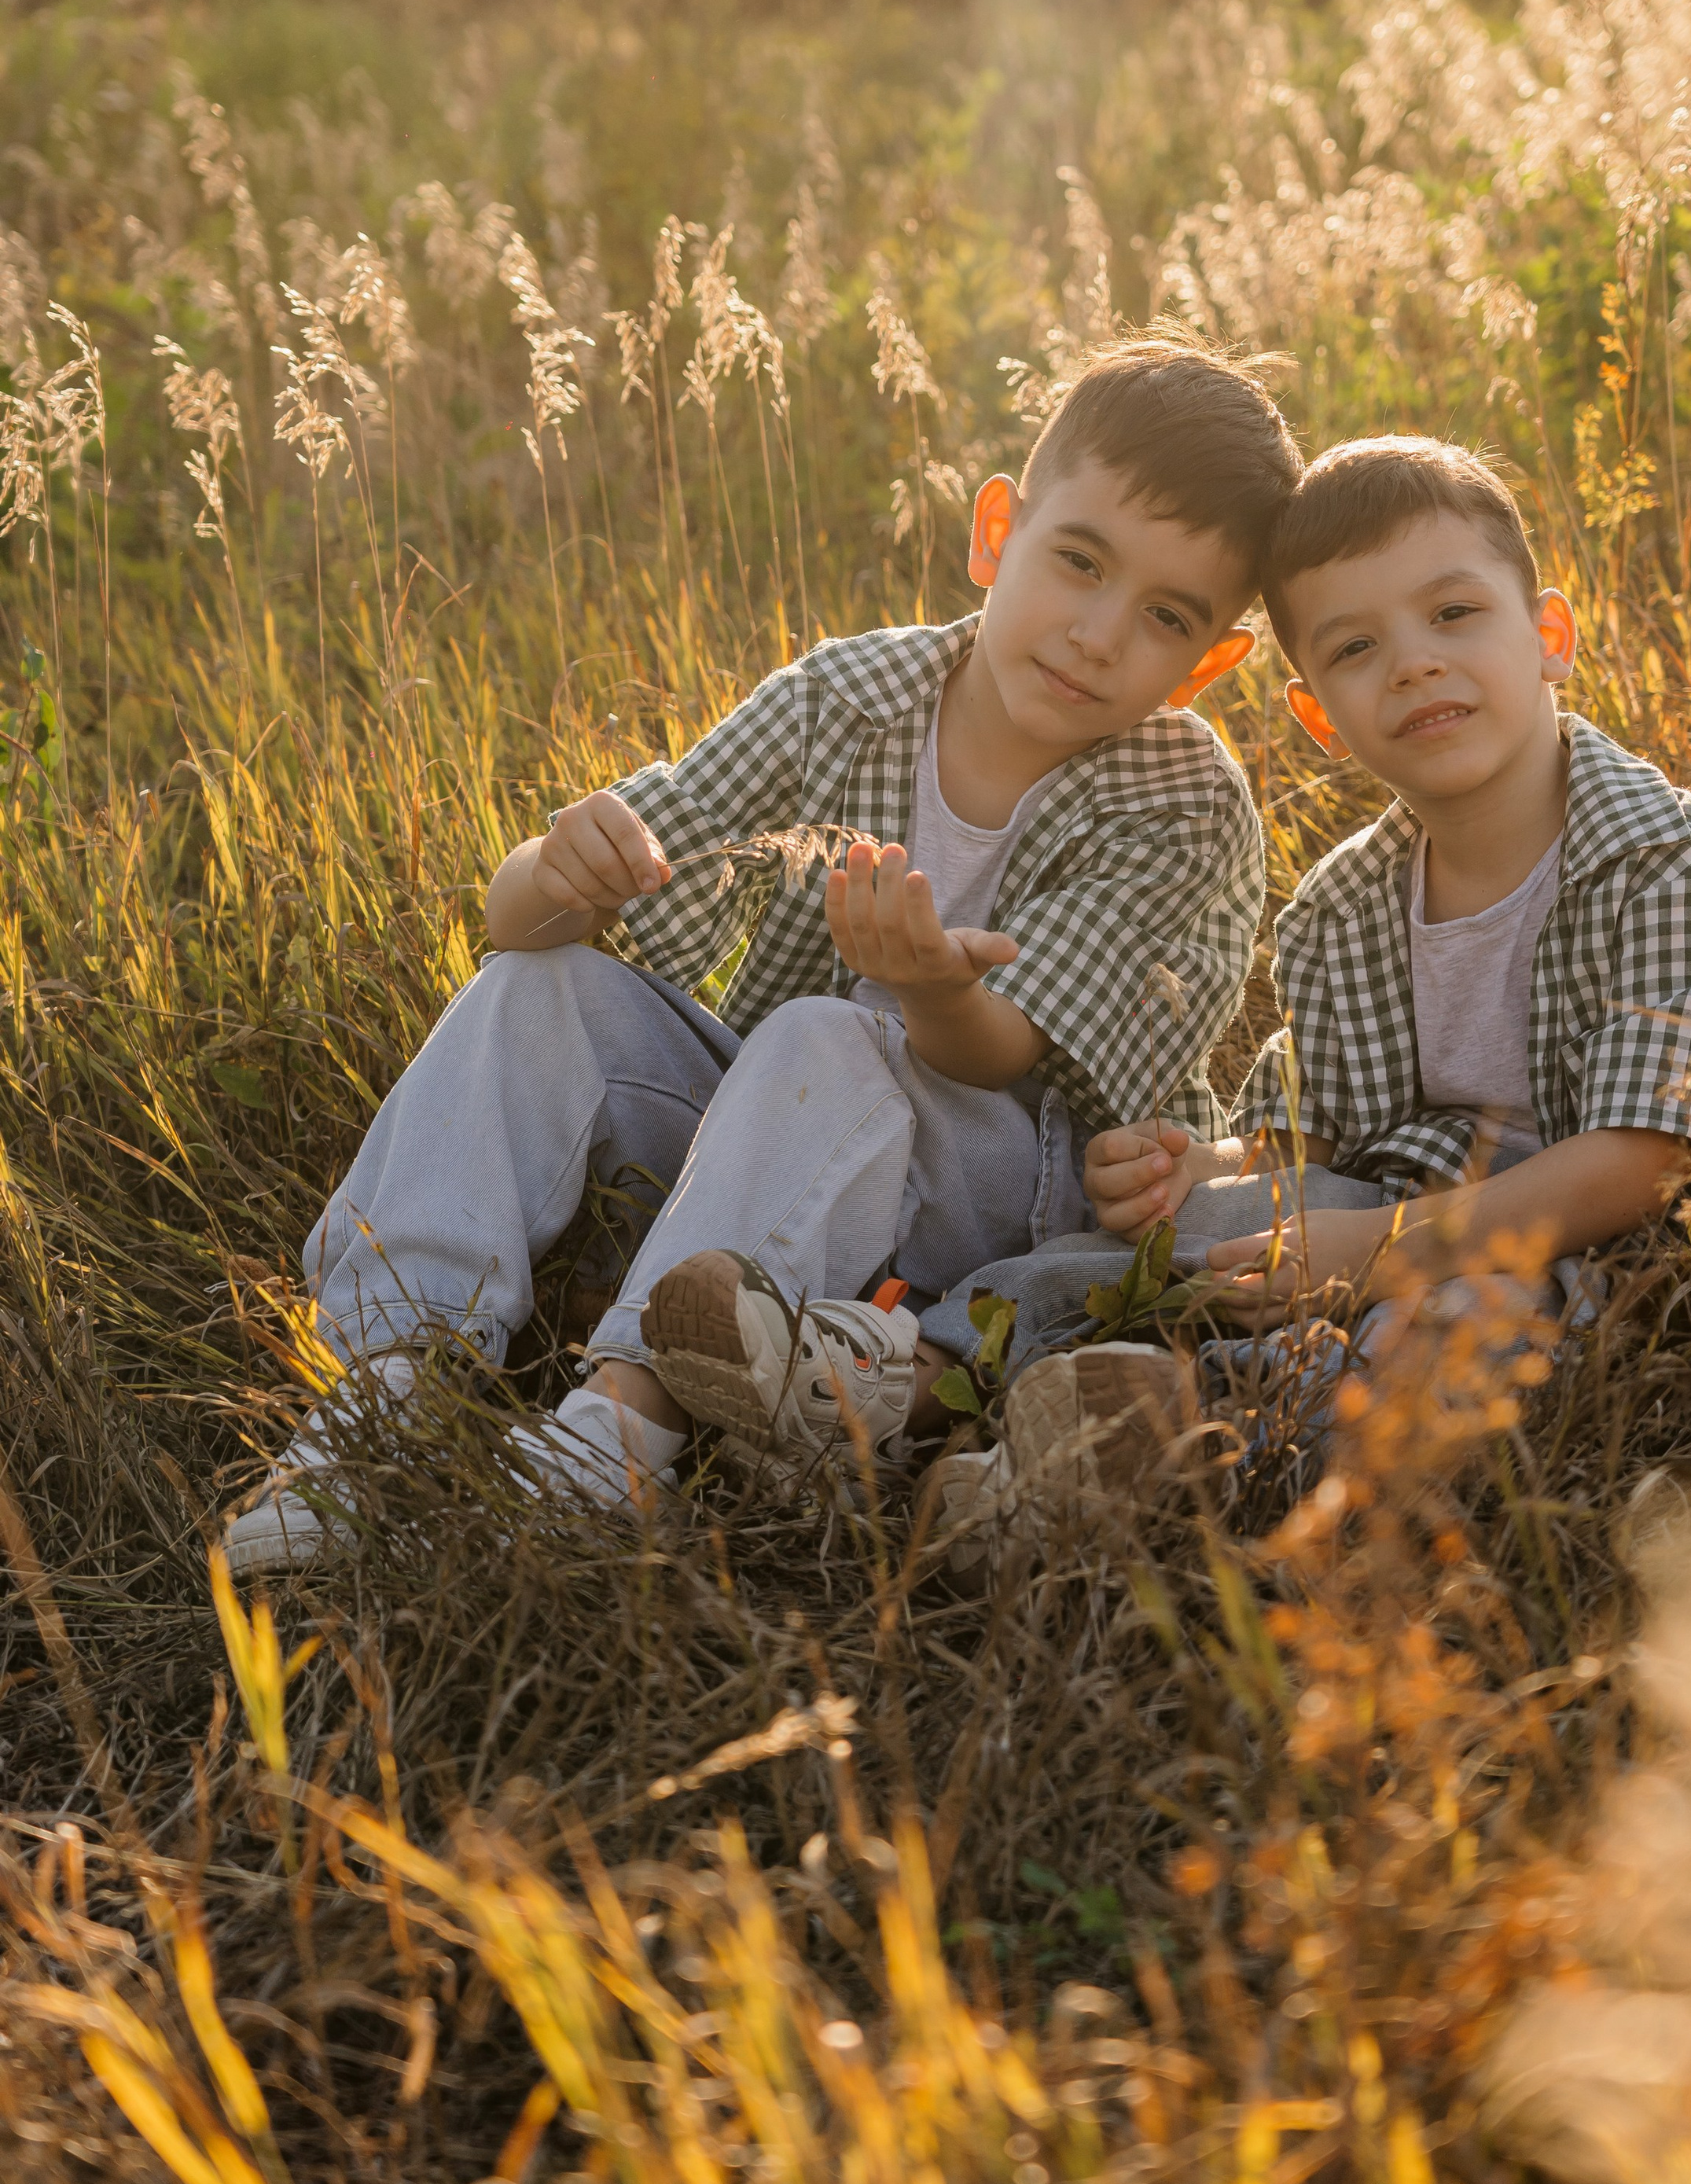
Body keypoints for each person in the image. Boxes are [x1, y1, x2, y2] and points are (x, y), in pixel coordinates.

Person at [223, 338, 1300, 1575]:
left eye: (1167, 616)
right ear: (997, 533)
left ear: (1211, 661)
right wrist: (553, 870)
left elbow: (1002, 1047)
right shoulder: (851, 693)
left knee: (838, 1029)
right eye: (1080, 562)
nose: (1100, 633)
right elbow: (523, 916)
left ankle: (616, 1436)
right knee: (536, 989)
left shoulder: (1184, 801)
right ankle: (375, 1402)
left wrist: (929, 983)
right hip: (780, 1138)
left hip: (1013, 1194)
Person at [983, 433, 1691, 1498]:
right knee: (1154, 1239)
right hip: (1399, 1210)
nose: (1416, 661)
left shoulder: (1662, 858)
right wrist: (1209, 1165)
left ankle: (1176, 1444)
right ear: (1319, 718)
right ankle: (909, 1379)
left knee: (1444, 1335)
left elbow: (1645, 1162)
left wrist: (1376, 1249)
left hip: (1615, 1246)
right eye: (1355, 648)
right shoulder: (1343, 904)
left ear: (1550, 634)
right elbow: (1319, 1141)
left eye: (1454, 615)